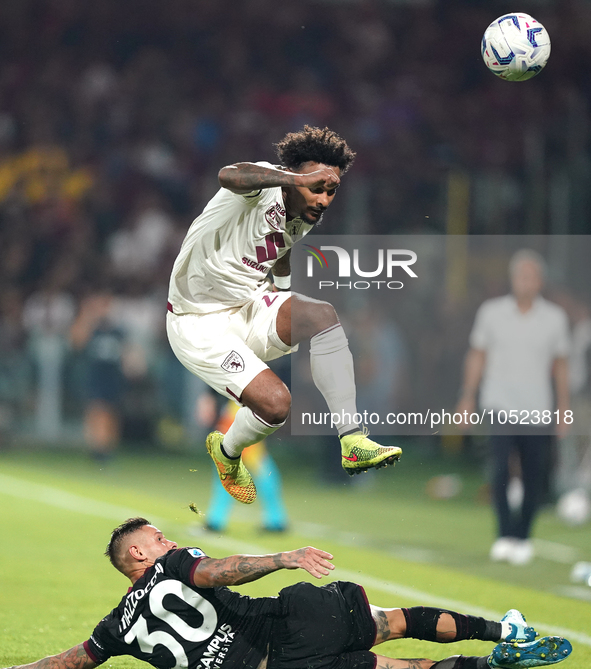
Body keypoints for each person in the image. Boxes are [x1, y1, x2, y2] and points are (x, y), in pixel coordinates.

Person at [166, 126, 401, 505]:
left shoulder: (306, 213)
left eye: (331, 190)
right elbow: (229, 174)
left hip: (248, 307)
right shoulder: (261, 185)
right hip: (197, 320)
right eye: (316, 187)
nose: (323, 198)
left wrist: (284, 290)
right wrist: (297, 178)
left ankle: (353, 439)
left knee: (323, 315)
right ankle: (226, 454)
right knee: (276, 405)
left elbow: (283, 244)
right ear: (294, 178)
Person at [4, 518, 572, 669]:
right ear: (138, 555)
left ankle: (494, 666)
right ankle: (507, 632)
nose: (169, 540)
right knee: (393, 621)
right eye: (157, 537)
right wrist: (281, 558)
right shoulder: (174, 565)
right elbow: (218, 571)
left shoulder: (117, 626)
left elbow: (68, 661)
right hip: (285, 624)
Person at [456, 250, 570, 565]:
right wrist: (467, 397)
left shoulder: (555, 319)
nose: (526, 282)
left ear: (540, 281)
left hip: (537, 408)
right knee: (500, 470)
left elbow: (560, 367)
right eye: (522, 276)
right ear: (513, 279)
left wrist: (563, 408)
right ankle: (504, 534)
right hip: (499, 403)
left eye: (532, 276)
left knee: (535, 475)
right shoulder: (491, 313)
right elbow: (477, 356)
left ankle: (523, 536)